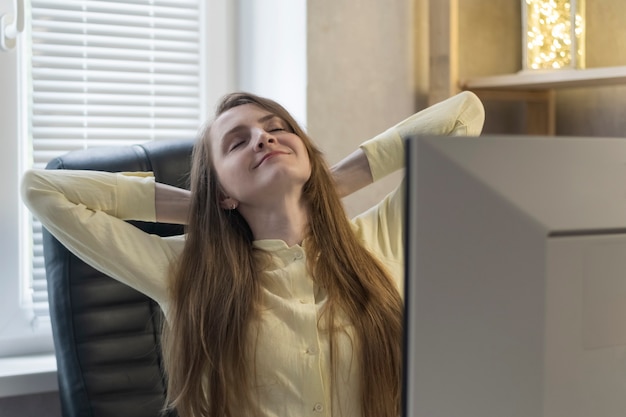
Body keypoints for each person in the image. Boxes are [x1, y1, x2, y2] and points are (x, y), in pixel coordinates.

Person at [21, 91, 485, 417]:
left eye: (276, 128)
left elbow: (463, 116)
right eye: (237, 142)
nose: (263, 139)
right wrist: (202, 208)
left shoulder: (381, 237)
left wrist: (334, 181)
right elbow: (41, 189)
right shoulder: (185, 270)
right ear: (220, 189)